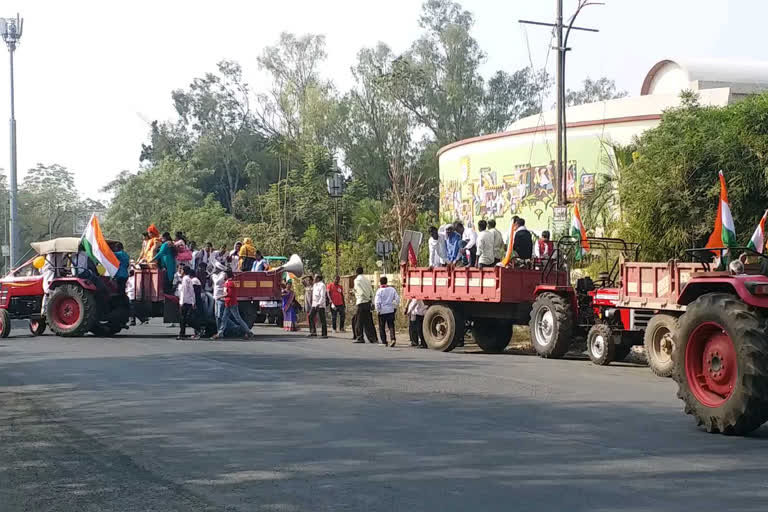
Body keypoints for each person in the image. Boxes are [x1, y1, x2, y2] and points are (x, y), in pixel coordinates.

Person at [212, 269, 252, 339]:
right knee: (224, 318)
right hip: (228, 303)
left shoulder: (229, 283)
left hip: (232, 303)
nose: (223, 276)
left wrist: (220, 297)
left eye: (224, 274)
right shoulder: (227, 282)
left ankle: (248, 331)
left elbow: (228, 294)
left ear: (227, 275)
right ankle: (220, 333)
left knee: (238, 318)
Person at [352, 267, 377, 344]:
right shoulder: (367, 280)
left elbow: (360, 292)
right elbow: (371, 291)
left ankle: (360, 337)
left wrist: (354, 292)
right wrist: (372, 301)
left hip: (361, 301)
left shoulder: (356, 280)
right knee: (368, 321)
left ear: (356, 272)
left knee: (358, 321)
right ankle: (372, 338)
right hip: (368, 302)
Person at [374, 276, 399, 347]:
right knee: (391, 325)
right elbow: (397, 299)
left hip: (382, 311)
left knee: (382, 327)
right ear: (386, 281)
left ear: (380, 282)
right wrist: (394, 306)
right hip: (390, 310)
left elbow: (377, 302)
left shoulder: (379, 291)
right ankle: (393, 338)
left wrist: (378, 310)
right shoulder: (392, 289)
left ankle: (384, 341)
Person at [177, 266, 197, 340]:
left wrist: (181, 302)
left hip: (185, 301)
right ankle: (182, 333)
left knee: (184, 319)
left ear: (184, 271)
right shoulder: (186, 279)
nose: (180, 271)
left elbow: (184, 292)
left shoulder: (185, 279)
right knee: (184, 319)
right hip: (187, 301)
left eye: (181, 270)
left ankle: (182, 333)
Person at [308, 274, 328, 338]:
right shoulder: (315, 285)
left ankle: (324, 334)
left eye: (315, 277)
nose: (314, 278)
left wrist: (319, 303)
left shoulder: (322, 285)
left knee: (322, 319)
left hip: (320, 305)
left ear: (318, 278)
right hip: (314, 304)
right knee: (310, 316)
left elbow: (322, 296)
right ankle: (313, 332)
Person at [211, 262, 228, 333]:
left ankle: (221, 331)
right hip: (216, 297)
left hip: (221, 298)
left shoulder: (223, 274)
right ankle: (219, 331)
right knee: (216, 316)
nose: (214, 269)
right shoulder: (217, 275)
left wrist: (213, 275)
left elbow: (217, 282)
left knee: (220, 316)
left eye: (215, 267)